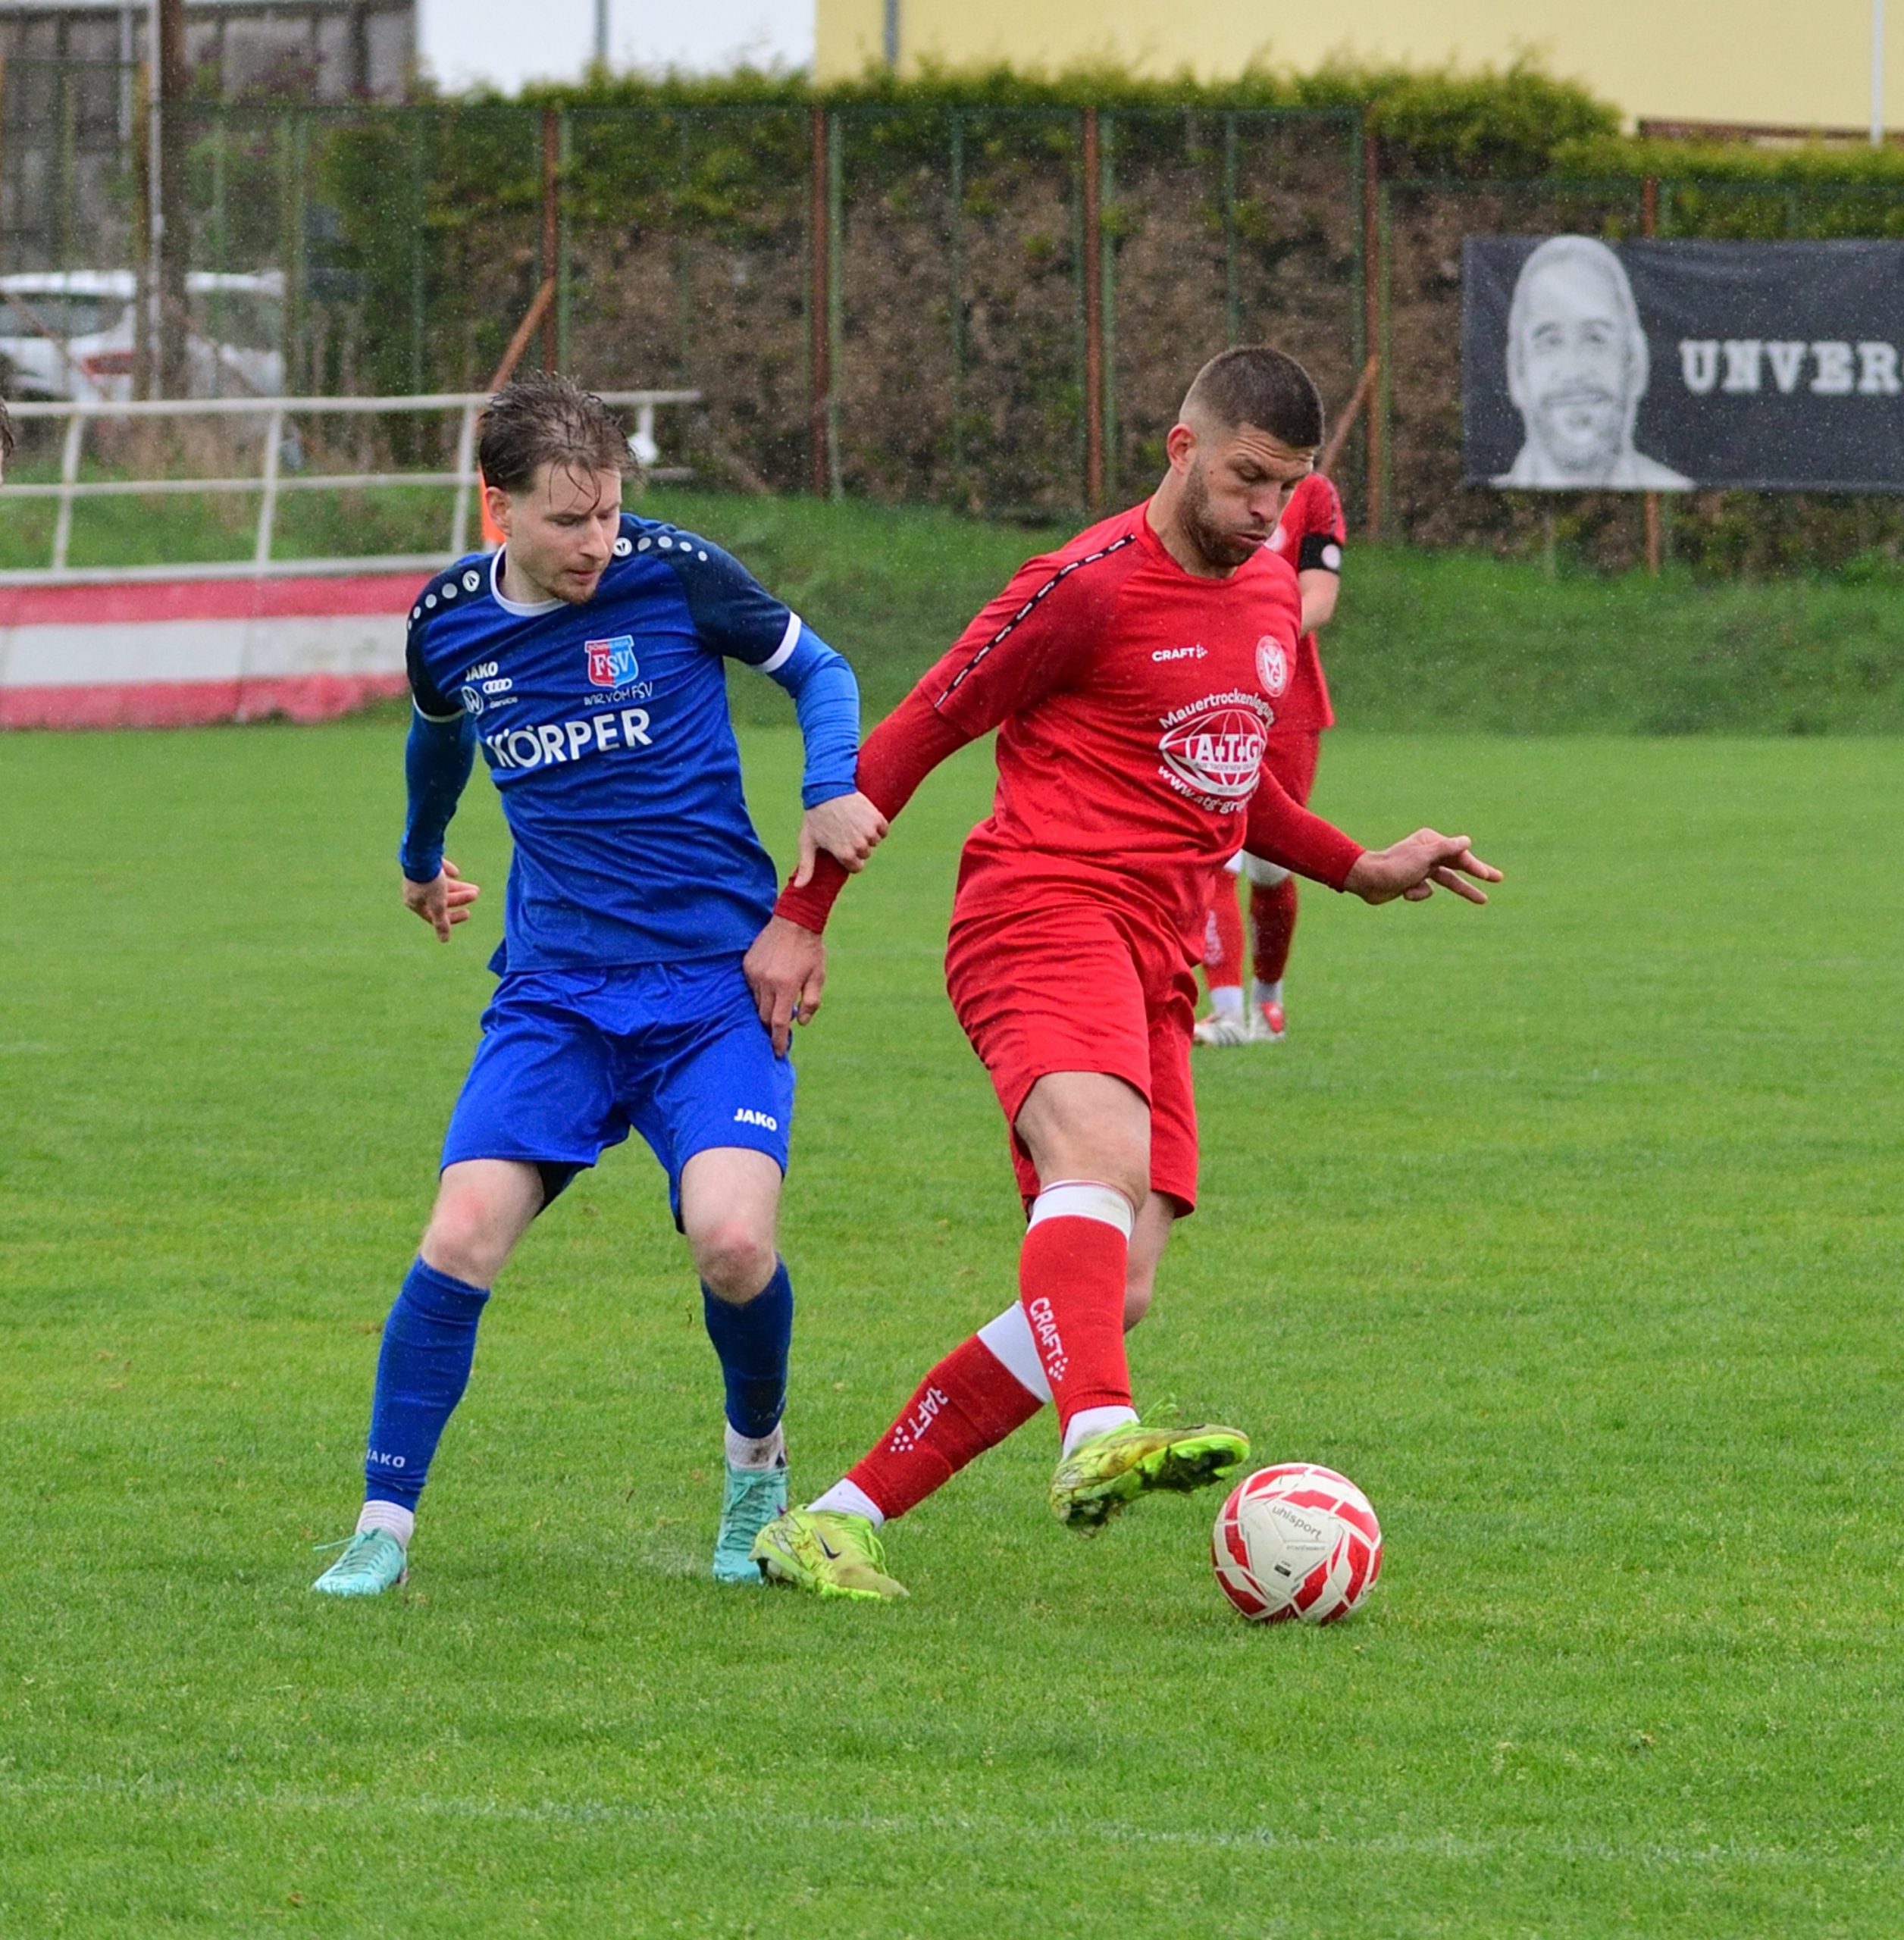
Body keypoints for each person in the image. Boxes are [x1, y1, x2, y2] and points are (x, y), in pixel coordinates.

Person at [741, 346, 1500, 1601]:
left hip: (1159, 956)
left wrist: (1356, 867)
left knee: (1115, 1289)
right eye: (1247, 479)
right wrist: (802, 915)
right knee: (1092, 1161)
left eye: (1288, 488)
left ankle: (830, 1521)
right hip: (1039, 911)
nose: (1266, 510)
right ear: (1181, 448)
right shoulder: (1081, 587)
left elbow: (1228, 777)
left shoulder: (1268, 593)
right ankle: (1098, 1434)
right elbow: (921, 725)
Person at [311, 373, 887, 1597]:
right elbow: (437, 735)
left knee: (734, 1241)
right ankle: (381, 1528)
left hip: (713, 988)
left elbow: (821, 669)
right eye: (569, 519)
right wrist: (419, 860)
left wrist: (827, 782)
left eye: (610, 512)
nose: (597, 542)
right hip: (557, 994)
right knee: (460, 1233)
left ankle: (755, 1473)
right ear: (499, 508)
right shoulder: (447, 621)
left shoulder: (674, 574)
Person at [1192, 468, 1347, 1047]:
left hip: (1289, 709)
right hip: (1213, 696)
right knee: (1217, 854)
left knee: (1270, 866)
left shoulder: (1314, 494)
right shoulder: (1207, 478)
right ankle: (1227, 1012)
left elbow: (1320, 598)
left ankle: (1268, 1001)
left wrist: (1259, 635)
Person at [1492, 234, 1689, 490]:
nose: (1573, 371)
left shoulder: (1679, 488)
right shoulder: (1489, 505)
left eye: (1596, 339)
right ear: (1517, 371)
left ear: (1635, 365)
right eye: (1550, 342)